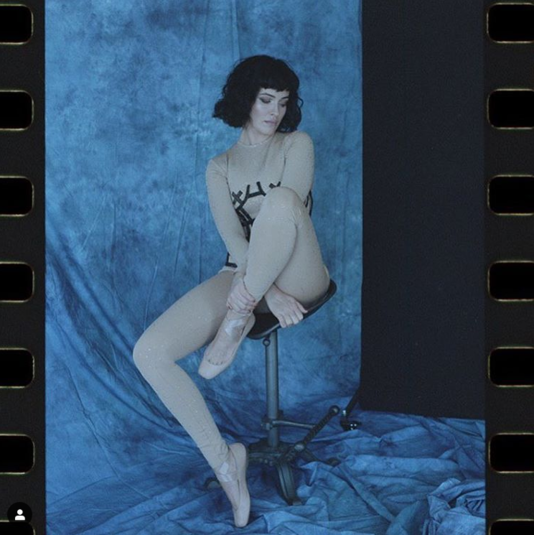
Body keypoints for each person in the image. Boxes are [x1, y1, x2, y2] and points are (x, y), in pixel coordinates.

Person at [133, 54, 330, 528]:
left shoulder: (297, 144)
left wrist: (256, 295)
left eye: (283, 102)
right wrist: (263, 293)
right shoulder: (218, 166)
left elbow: (292, 211)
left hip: (302, 271)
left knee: (279, 201)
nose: (275, 111)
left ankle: (236, 320)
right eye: (266, 100)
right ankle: (226, 464)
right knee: (149, 352)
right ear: (246, 100)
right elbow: (234, 241)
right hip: (246, 275)